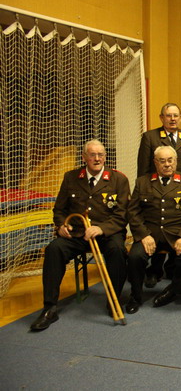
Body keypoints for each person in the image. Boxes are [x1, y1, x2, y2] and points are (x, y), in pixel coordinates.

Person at [30, 140, 130, 331]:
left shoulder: (118, 179)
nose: (97, 159)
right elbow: (59, 210)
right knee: (53, 249)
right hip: (77, 234)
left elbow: (122, 214)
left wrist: (101, 228)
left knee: (118, 250)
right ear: (84, 157)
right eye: (92, 155)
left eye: (100, 155)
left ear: (105, 157)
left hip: (107, 234)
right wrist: (61, 225)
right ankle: (50, 308)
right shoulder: (71, 177)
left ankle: (114, 299)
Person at [126, 146, 181, 313]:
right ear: (155, 163)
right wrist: (143, 235)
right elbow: (133, 212)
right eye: (162, 161)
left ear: (176, 161)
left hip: (177, 234)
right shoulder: (143, 182)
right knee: (134, 257)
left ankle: (174, 290)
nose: (167, 164)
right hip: (150, 234)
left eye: (170, 160)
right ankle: (135, 296)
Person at [137, 102, 181, 288]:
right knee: (157, 226)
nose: (172, 119)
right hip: (156, 190)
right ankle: (154, 270)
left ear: (180, 117)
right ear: (161, 118)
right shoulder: (150, 137)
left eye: (175, 115)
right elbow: (143, 168)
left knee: (176, 228)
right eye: (168, 115)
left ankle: (172, 268)